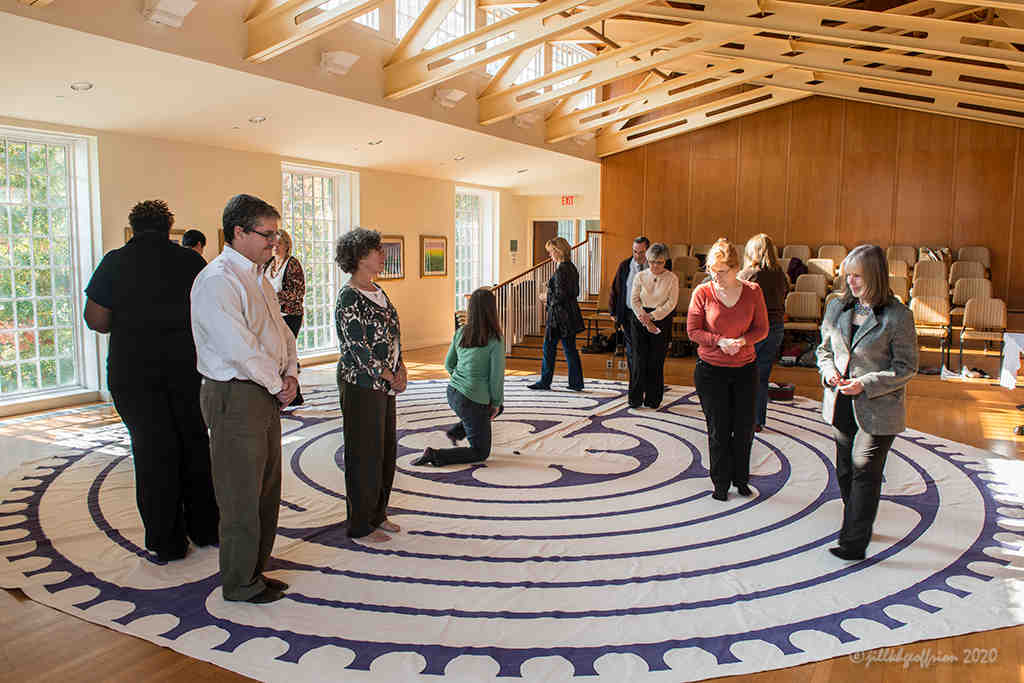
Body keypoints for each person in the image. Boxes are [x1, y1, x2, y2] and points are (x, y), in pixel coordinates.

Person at [84, 200, 218, 563]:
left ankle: (167, 540)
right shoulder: (190, 261)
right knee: (193, 442)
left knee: (152, 450)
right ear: (168, 227)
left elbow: (95, 318)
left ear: (134, 226)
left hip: (133, 371)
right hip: (185, 368)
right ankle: (206, 528)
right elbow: (210, 310)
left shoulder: (115, 261)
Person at [191, 193, 298, 604]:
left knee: (266, 489)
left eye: (275, 235)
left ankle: (256, 569)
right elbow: (239, 347)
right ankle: (239, 583)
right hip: (237, 396)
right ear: (238, 232)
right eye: (267, 235)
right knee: (240, 495)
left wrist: (291, 372)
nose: (274, 243)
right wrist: (276, 382)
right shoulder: (218, 280)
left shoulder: (257, 276)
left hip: (265, 390)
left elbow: (280, 331)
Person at [816, 244, 918, 561]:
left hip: (877, 408)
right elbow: (824, 351)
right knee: (846, 471)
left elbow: (906, 367)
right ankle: (857, 522)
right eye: (848, 276)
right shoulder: (836, 307)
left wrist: (865, 383)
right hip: (841, 404)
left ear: (874, 275)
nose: (851, 283)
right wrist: (830, 372)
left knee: (865, 471)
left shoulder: (899, 316)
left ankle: (853, 542)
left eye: (857, 276)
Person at [335, 227, 407, 543]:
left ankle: (379, 513)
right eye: (377, 250)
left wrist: (400, 366)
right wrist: (387, 374)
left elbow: (393, 333)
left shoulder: (378, 290)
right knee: (363, 454)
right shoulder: (348, 297)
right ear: (361, 257)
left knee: (384, 451)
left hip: (385, 386)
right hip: (362, 385)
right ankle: (361, 524)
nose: (382, 255)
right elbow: (356, 345)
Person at [687, 238, 769, 501]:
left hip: (745, 368)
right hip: (711, 371)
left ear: (736, 269)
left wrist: (742, 341)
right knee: (719, 430)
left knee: (744, 428)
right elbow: (693, 330)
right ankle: (720, 483)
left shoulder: (754, 291)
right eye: (712, 270)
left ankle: (741, 479)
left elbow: (762, 329)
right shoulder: (703, 292)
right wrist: (718, 341)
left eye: (722, 271)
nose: (716, 275)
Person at [414, 288, 505, 467]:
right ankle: (435, 455)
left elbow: (449, 364)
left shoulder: (461, 332)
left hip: (453, 394)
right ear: (492, 310)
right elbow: (496, 378)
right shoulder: (495, 339)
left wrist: (462, 379)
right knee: (481, 452)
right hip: (472, 402)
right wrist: (495, 403)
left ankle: (457, 431)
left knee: (495, 407)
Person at [738, 234, 789, 432]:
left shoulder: (748, 274)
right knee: (762, 375)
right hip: (776, 328)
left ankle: (743, 417)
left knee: (744, 374)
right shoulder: (780, 274)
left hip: (755, 329)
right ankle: (758, 420)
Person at [528, 236, 584, 392]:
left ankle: (545, 382)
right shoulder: (571, 267)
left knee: (548, 349)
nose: (549, 255)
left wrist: (545, 296)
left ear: (558, 251)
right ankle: (576, 382)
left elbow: (560, 296)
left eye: (551, 251)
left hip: (558, 318)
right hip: (570, 315)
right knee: (570, 349)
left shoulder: (561, 270)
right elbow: (574, 292)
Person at [628, 242, 679, 409]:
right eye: (651, 262)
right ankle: (635, 398)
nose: (655, 266)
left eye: (659, 262)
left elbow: (671, 303)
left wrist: (653, 316)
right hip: (640, 318)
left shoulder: (672, 278)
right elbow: (634, 300)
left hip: (661, 319)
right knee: (638, 360)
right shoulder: (640, 276)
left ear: (665, 261)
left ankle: (653, 399)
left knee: (656, 360)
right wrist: (644, 317)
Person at [263, 230, 306, 406]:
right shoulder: (269, 263)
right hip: (273, 315)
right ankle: (283, 391)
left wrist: (273, 296)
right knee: (276, 354)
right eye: (273, 243)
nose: (275, 246)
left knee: (287, 353)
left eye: (279, 243)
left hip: (290, 315)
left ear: (287, 245)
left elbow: (298, 293)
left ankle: (294, 394)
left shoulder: (292, 264)